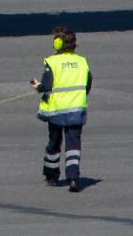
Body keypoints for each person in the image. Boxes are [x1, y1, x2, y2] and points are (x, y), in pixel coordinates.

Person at [36, 26, 91, 191]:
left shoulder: (52, 62)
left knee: (54, 142)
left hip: (57, 110)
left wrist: (37, 86)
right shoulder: (82, 62)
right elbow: (87, 84)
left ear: (58, 44)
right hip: (76, 109)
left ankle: (52, 176)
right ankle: (73, 177)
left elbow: (46, 86)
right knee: (73, 144)